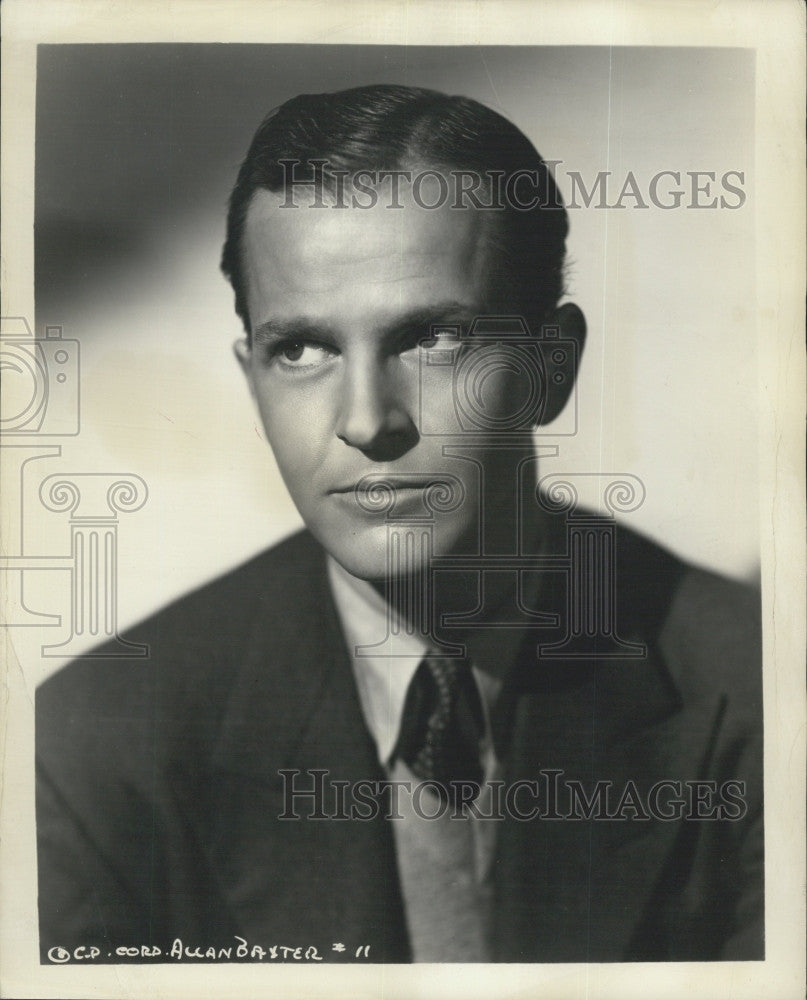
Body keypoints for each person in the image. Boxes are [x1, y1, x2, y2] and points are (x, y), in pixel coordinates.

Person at [36, 85, 763, 964]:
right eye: (301, 350)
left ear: (550, 367)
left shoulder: (757, 699)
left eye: (433, 339)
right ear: (252, 377)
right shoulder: (103, 747)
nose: (367, 420)